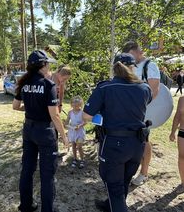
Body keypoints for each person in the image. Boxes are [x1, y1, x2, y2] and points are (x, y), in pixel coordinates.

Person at [83, 53, 152, 212]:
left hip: (114, 145)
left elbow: (87, 116)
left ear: (114, 68)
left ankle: (115, 206)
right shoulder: (144, 88)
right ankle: (110, 206)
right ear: (133, 68)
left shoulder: (105, 88)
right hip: (137, 145)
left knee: (114, 186)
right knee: (124, 181)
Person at [13, 50, 68, 212]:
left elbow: (16, 107)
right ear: (43, 66)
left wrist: (31, 108)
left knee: (27, 169)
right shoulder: (48, 85)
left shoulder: (23, 82)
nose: (49, 66)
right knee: (47, 174)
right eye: (48, 63)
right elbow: (55, 115)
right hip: (45, 132)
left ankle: (26, 205)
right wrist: (64, 137)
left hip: (28, 130)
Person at [122, 41, 160, 186]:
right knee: (132, 139)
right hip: (129, 111)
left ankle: (144, 173)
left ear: (139, 52)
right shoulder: (131, 66)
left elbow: (154, 90)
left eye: (131, 55)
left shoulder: (150, 66)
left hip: (143, 111)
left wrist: (138, 107)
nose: (129, 59)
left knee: (144, 140)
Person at [64, 96, 86, 168]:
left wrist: (79, 126)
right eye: (74, 106)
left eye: (77, 106)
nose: (75, 107)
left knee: (79, 146)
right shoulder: (70, 112)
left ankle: (82, 159)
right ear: (71, 105)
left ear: (80, 105)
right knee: (73, 145)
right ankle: (75, 158)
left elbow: (85, 122)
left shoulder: (82, 112)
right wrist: (66, 124)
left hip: (79, 131)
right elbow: (67, 122)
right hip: (72, 131)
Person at [169, 96, 184, 190]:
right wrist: (172, 132)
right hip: (183, 131)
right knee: (182, 157)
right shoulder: (182, 99)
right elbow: (177, 116)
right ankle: (183, 182)